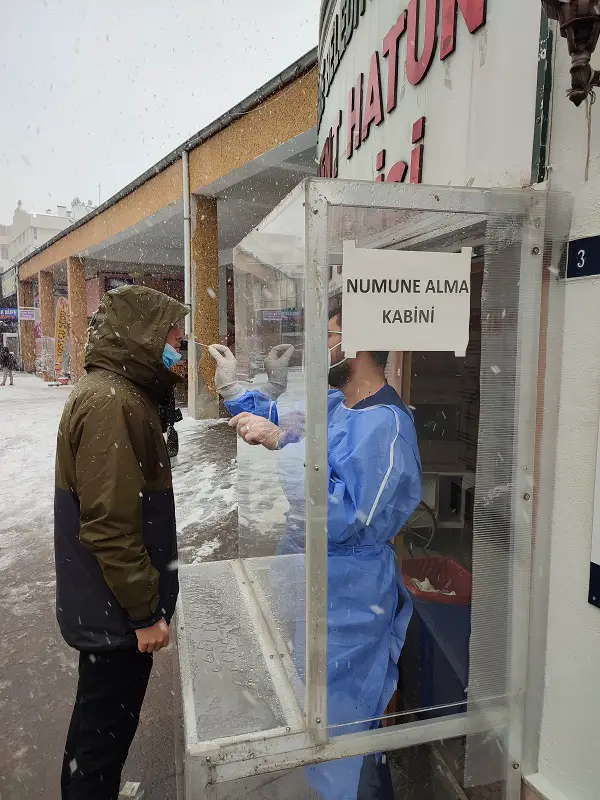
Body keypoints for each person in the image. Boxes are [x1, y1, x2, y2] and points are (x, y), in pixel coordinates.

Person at [209, 305, 422, 800]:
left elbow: (344, 515)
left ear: (358, 345)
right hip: (317, 587)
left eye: (331, 336)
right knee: (314, 717)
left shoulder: (387, 426)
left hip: (352, 603)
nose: (323, 347)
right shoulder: (338, 403)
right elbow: (284, 422)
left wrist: (282, 445)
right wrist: (236, 388)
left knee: (348, 734)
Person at [54, 285, 188, 800]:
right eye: (174, 336)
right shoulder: (111, 401)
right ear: (145, 336)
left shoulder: (122, 393)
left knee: (98, 730)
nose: (180, 345)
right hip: (115, 616)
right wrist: (143, 614)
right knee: (99, 744)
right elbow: (109, 524)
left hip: (109, 609)